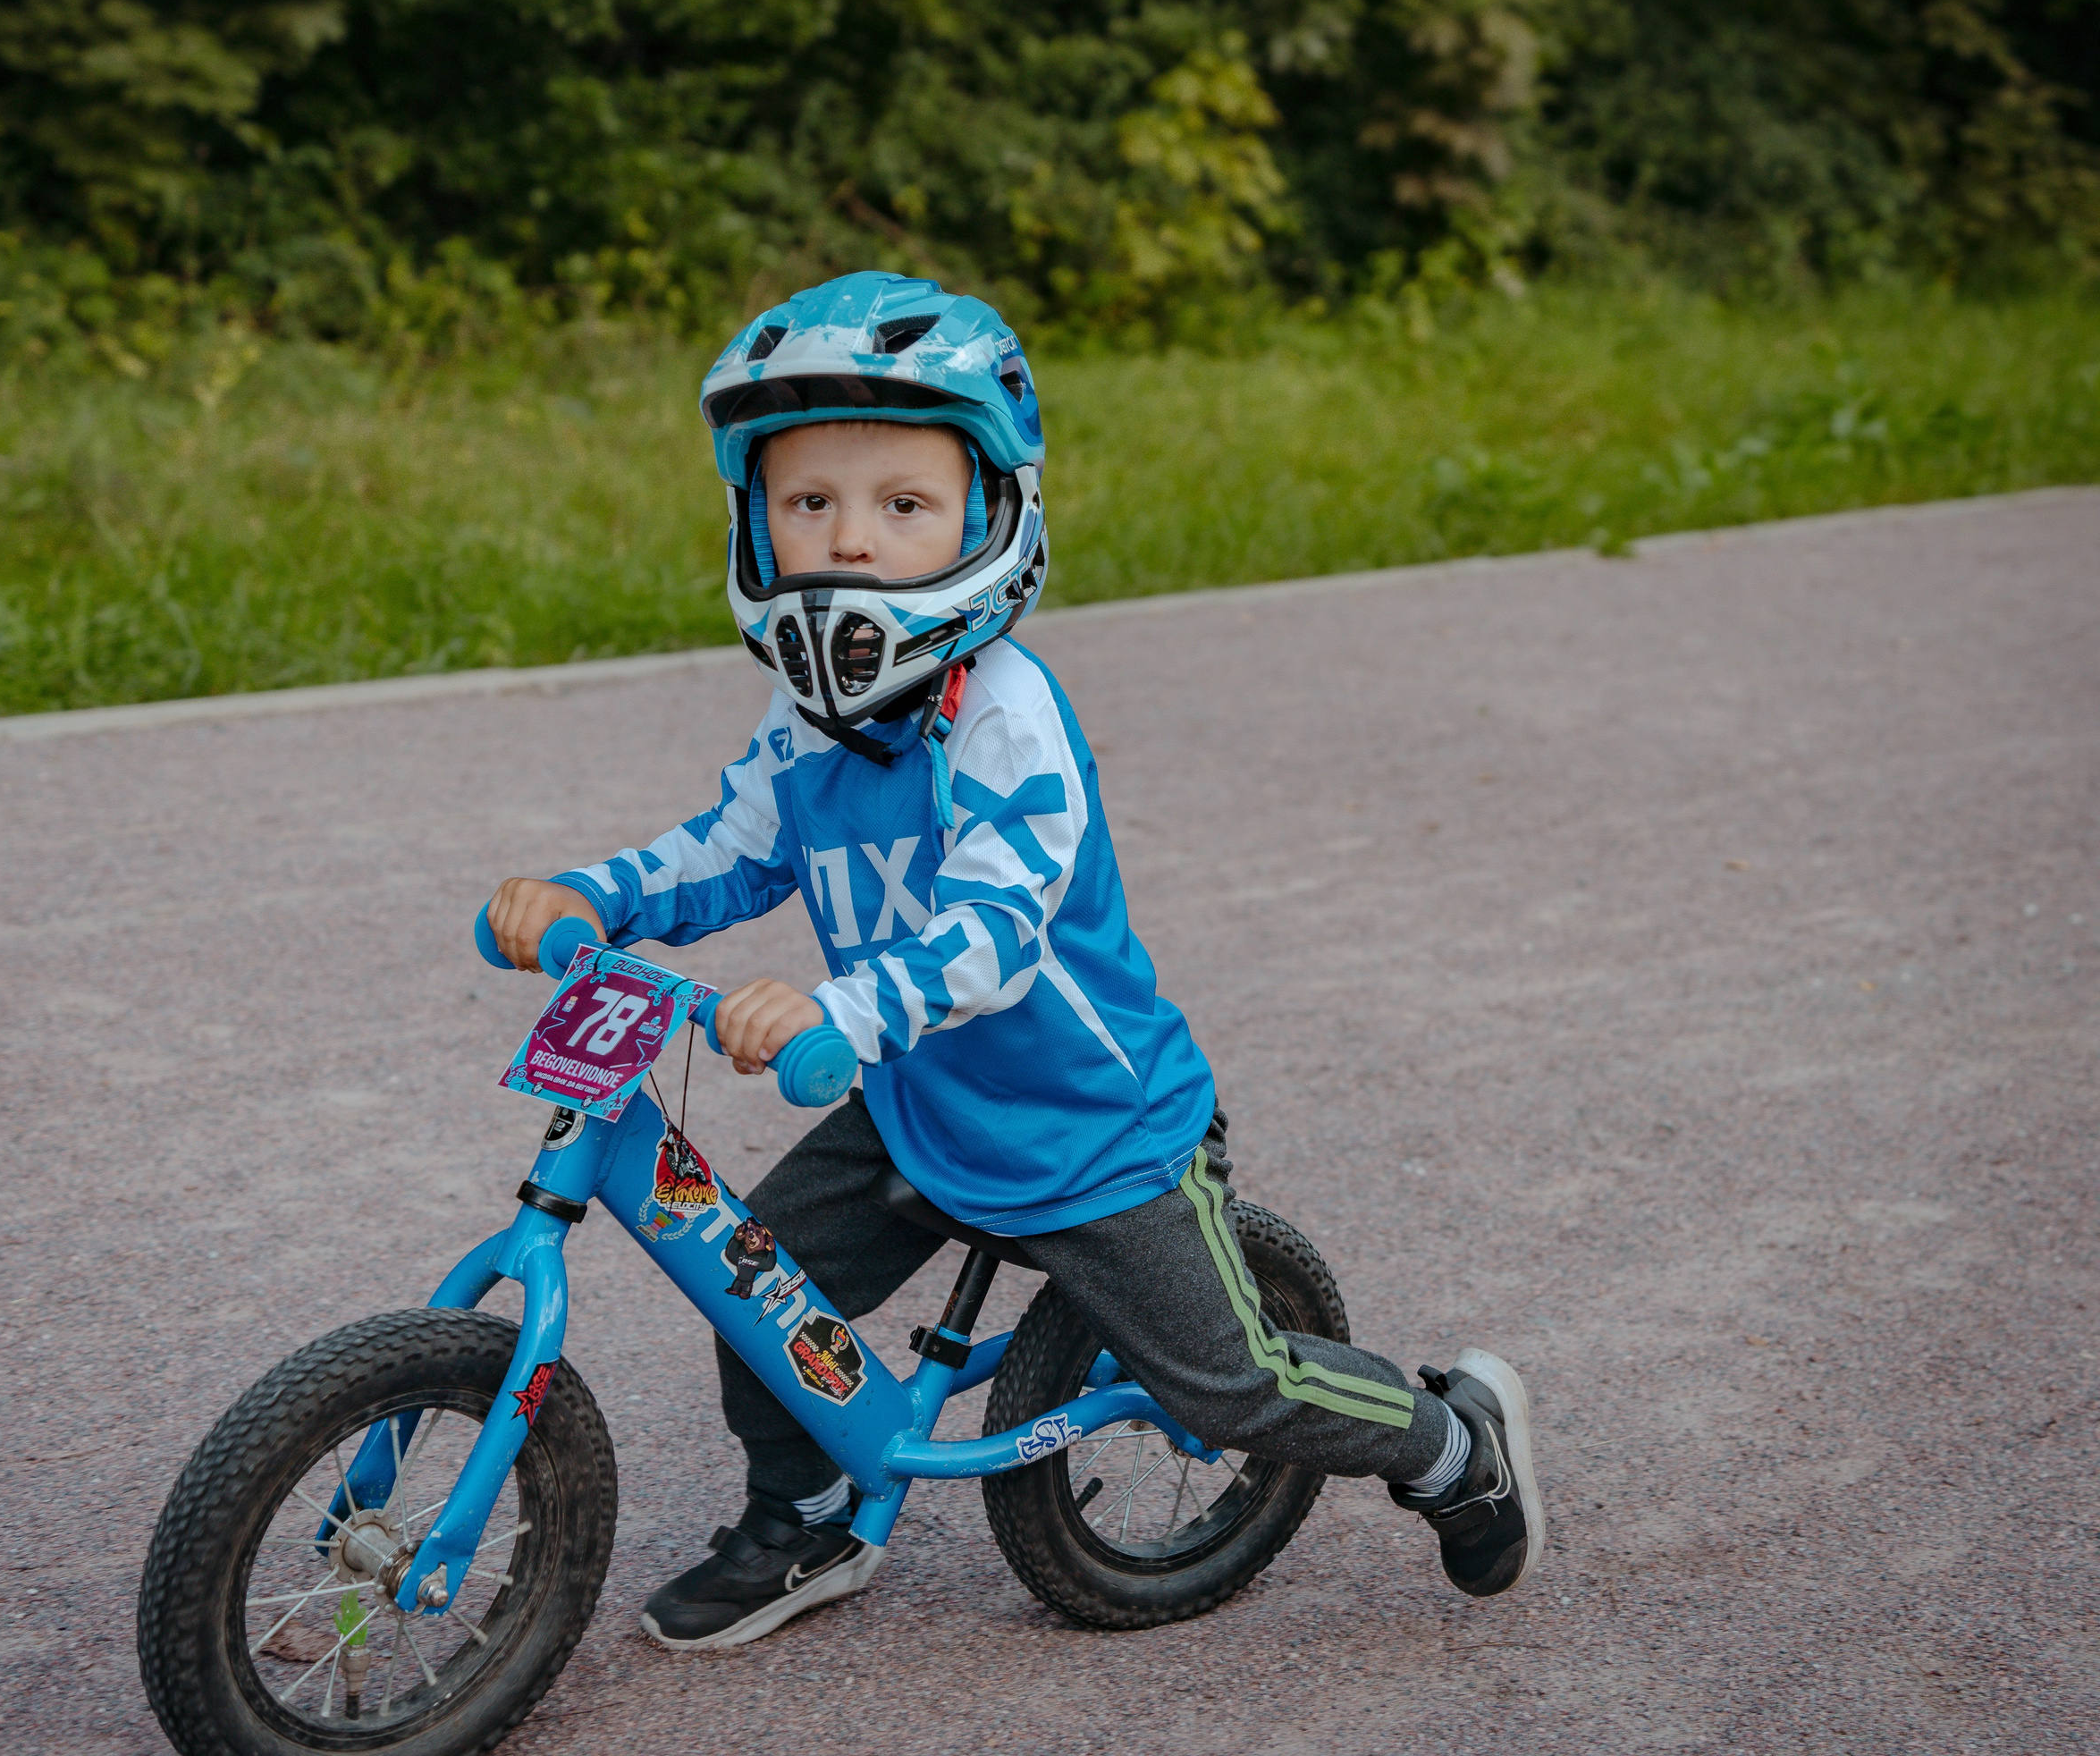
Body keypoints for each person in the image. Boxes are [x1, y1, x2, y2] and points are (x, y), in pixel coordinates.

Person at [484, 271, 1544, 1651]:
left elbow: (994, 928)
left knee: (1231, 1387)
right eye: (811, 503)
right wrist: (589, 894)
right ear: (756, 521)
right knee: (756, 1289)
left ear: (991, 516)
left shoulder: (1007, 715)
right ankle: (801, 1522)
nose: (849, 542)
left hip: (1090, 1128)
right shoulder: (809, 724)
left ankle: (1451, 1442)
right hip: (921, 1105)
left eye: (901, 506)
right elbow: (724, 852)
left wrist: (840, 1008)